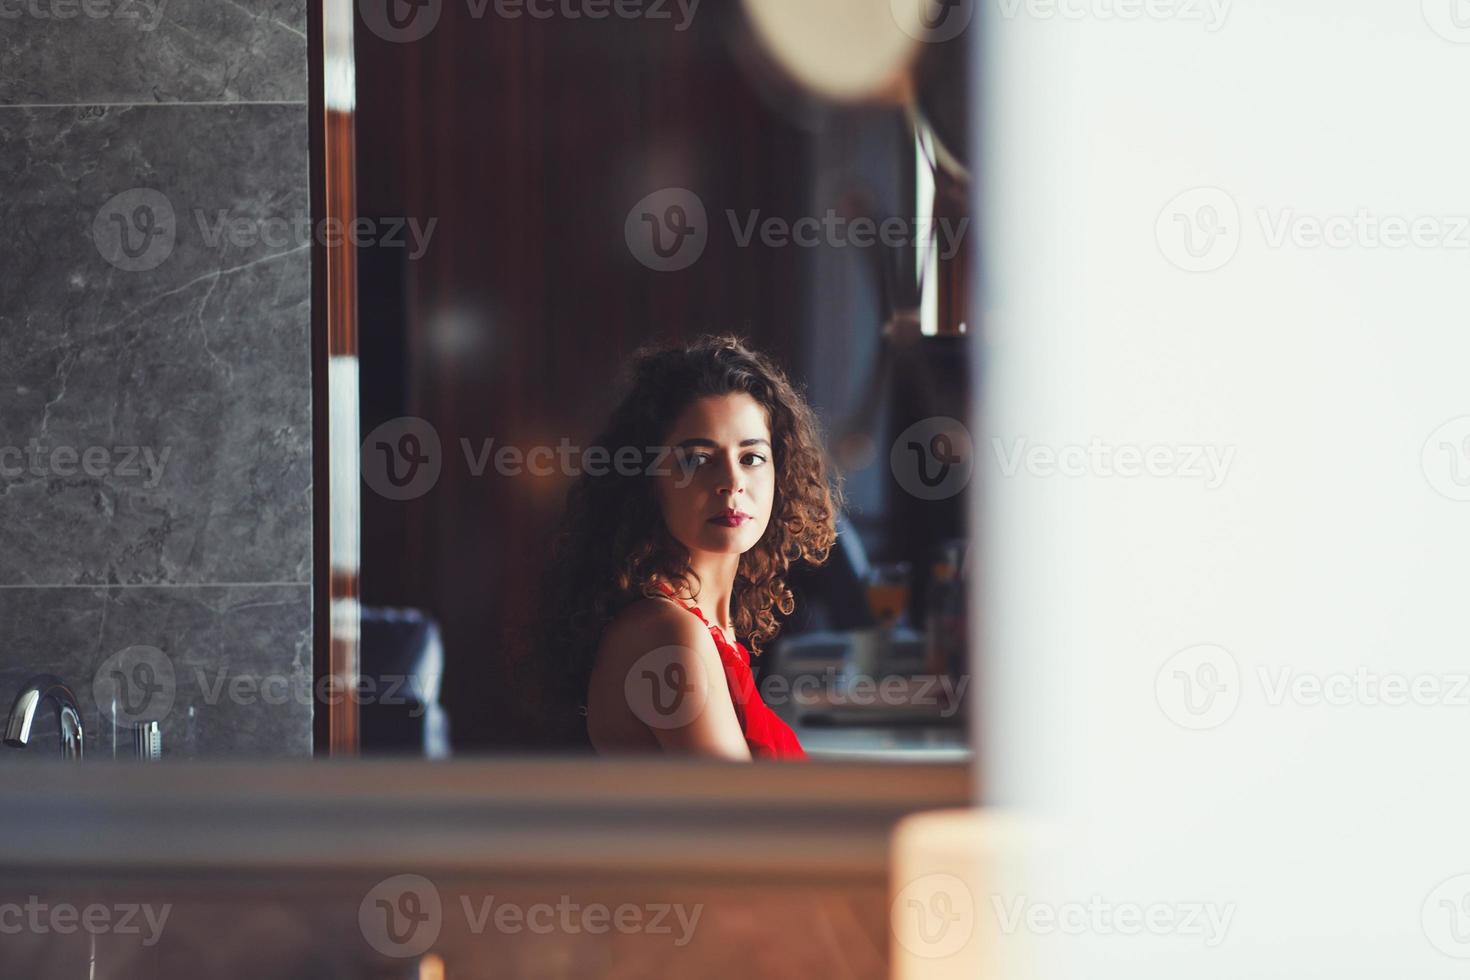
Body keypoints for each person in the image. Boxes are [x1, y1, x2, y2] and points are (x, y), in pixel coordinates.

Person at [531, 334, 843, 759]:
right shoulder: (670, 636)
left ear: (780, 473)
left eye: (751, 458)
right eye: (697, 459)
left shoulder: (700, 625)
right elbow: (743, 821)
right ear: (647, 482)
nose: (731, 482)